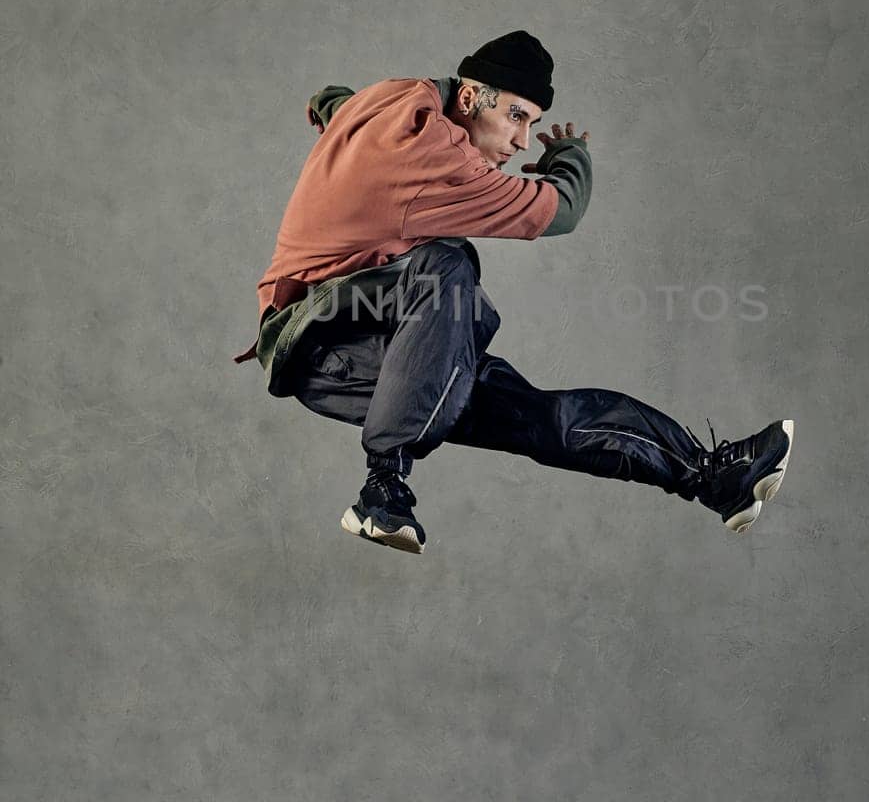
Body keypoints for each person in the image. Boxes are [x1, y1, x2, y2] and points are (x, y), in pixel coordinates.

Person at [234, 30, 793, 554]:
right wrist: (568, 154)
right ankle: (383, 484)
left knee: (540, 419)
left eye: (536, 124)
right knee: (446, 265)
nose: (523, 140)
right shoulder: (438, 162)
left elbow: (334, 100)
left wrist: (327, 106)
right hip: (321, 348)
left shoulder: (396, 98)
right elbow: (563, 211)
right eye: (517, 116)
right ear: (473, 97)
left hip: (384, 340)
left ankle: (714, 477)